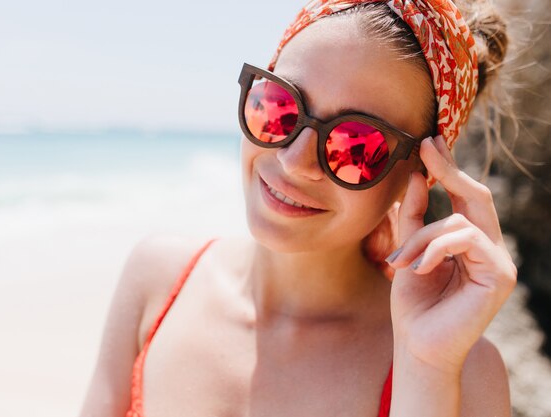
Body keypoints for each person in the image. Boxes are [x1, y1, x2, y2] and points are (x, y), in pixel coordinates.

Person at [80, 1, 516, 416]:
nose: (293, 161)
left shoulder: (463, 373)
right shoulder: (158, 281)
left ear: (422, 173)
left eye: (356, 146)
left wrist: (426, 370)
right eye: (279, 106)